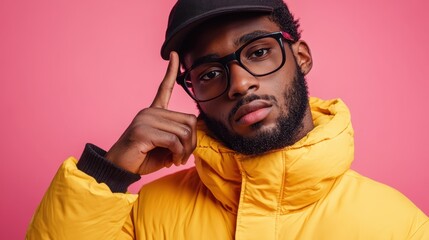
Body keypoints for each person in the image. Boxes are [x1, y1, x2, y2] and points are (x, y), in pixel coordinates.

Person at [26, 0, 428, 239]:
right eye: (210, 73)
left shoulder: (398, 225)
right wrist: (108, 174)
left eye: (257, 52)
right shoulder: (145, 213)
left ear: (301, 57)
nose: (238, 84)